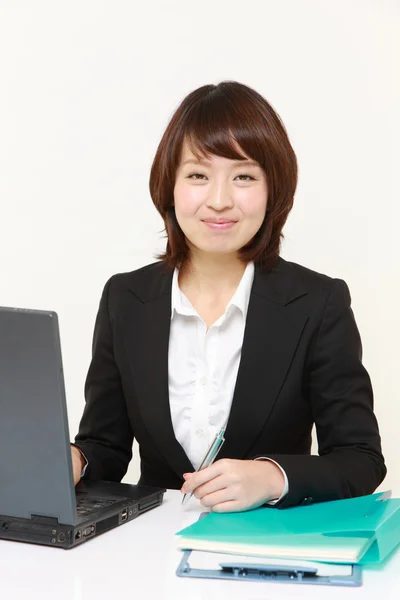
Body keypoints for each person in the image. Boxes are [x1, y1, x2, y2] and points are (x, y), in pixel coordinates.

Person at [71, 80, 386, 512]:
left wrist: (273, 476)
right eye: (198, 175)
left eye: (243, 176)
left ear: (273, 189)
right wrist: (74, 460)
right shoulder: (125, 298)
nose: (219, 200)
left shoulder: (319, 303)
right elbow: (104, 446)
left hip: (267, 553)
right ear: (170, 186)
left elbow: (361, 460)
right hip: (150, 555)